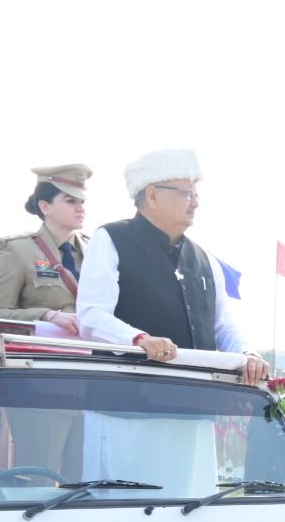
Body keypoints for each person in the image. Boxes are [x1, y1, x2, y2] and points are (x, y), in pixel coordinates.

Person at [77, 147, 267, 381]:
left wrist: (247, 353)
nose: (195, 203)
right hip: (124, 404)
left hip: (195, 402)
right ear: (152, 195)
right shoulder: (111, 239)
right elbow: (91, 315)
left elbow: (223, 326)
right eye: (187, 193)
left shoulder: (205, 258)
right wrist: (138, 339)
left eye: (196, 194)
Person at [0, 165, 93, 331]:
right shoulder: (18, 251)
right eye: (71, 201)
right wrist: (46, 315)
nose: (81, 208)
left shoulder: (95, 250)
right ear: (45, 207)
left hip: (96, 352)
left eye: (82, 202)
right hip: (43, 353)